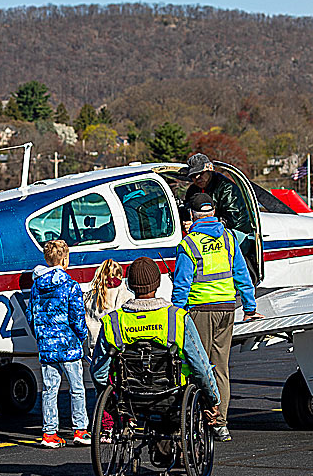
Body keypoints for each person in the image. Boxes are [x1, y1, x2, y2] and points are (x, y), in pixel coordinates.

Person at [171, 193, 263, 441]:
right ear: (213, 212)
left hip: (200, 310)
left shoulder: (189, 244)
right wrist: (249, 307)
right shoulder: (229, 238)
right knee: (220, 367)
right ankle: (220, 422)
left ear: (192, 215)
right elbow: (242, 275)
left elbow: (182, 285)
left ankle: (197, 418)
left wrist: (176, 314)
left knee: (196, 365)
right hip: (227, 309)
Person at [90, 256, 221, 423]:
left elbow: (99, 373)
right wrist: (213, 400)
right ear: (158, 283)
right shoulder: (177, 318)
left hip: (129, 396)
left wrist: (108, 401)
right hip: (172, 396)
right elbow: (201, 367)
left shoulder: (113, 321)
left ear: (129, 285)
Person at [25, 240, 91, 448]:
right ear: (65, 259)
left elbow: (30, 315)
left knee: (49, 389)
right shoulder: (70, 285)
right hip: (68, 344)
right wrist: (81, 336)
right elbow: (77, 317)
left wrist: (41, 335)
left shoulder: (37, 286)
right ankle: (80, 429)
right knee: (77, 388)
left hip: (47, 345)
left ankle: (49, 433)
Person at [184, 153, 252, 234]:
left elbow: (231, 219)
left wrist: (200, 226)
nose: (197, 177)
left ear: (209, 170)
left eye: (201, 173)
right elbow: (187, 209)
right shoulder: (193, 190)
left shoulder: (226, 188)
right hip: (209, 230)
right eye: (193, 175)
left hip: (235, 231)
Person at [84, 259, 134, 355]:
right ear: (120, 276)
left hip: (95, 345)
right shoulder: (126, 295)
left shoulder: (89, 297)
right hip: (116, 345)